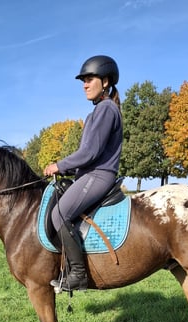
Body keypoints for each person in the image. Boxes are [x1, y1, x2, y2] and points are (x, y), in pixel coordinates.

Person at [43, 55, 123, 292]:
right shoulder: (97, 112)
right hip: (89, 174)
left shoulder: (106, 109)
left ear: (105, 81)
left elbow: (90, 152)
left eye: (90, 79)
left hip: (99, 174)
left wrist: (60, 165)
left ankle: (78, 274)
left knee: (59, 214)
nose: (85, 85)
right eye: (83, 81)